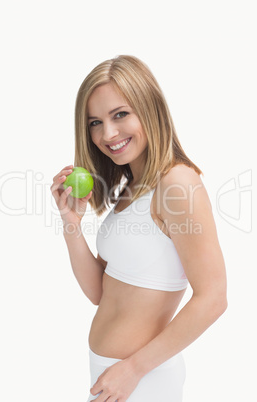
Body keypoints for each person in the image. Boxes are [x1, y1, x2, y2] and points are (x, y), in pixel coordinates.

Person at [51, 55, 227, 401]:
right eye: (94, 123)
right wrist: (72, 224)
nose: (108, 133)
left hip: (143, 379)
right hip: (113, 374)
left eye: (120, 115)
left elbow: (213, 299)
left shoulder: (177, 182)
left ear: (149, 108)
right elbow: (101, 294)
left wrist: (133, 370)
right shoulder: (132, 188)